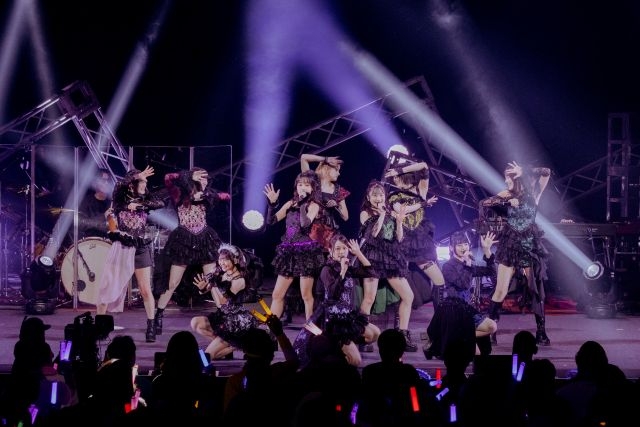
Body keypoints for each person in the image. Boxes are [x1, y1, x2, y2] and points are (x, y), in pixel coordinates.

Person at [480, 161, 551, 345]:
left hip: (529, 246)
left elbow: (546, 172)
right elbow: (484, 203)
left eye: (508, 178)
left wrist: (524, 171)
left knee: (534, 289)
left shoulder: (533, 193)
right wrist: (506, 201)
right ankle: (491, 329)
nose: (505, 181)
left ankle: (541, 332)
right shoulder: (506, 193)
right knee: (501, 289)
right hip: (510, 245)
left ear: (517, 178)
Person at [154, 167, 231, 335]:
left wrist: (206, 194)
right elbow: (168, 178)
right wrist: (188, 175)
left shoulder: (207, 196)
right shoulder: (179, 194)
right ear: (193, 179)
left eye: (206, 178)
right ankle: (157, 317)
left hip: (204, 239)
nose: (205, 180)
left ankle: (224, 316)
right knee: (173, 283)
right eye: (201, 178)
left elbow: (227, 196)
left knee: (212, 281)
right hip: (183, 240)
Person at [96, 166, 164, 342]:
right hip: (122, 246)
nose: (145, 184)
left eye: (145, 182)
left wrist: (141, 204)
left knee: (145, 290)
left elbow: (160, 203)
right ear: (133, 183)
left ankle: (151, 327)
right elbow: (119, 186)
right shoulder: (119, 198)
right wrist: (136, 176)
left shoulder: (145, 198)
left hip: (140, 247)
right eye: (142, 181)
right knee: (108, 287)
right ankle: (100, 327)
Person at [292, 234, 381, 367]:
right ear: (330, 250)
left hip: (348, 317)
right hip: (333, 321)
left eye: (344, 248)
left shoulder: (348, 267)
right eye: (338, 248)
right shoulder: (327, 269)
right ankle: (335, 355)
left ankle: (341, 348)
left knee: (375, 334)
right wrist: (342, 272)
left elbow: (372, 273)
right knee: (356, 361)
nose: (341, 252)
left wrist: (358, 253)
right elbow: (333, 294)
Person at [357, 180, 417, 351]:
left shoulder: (391, 212)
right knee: (369, 298)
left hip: (390, 257)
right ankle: (363, 336)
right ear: (368, 197)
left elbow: (399, 238)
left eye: (381, 195)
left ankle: (403, 336)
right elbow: (372, 235)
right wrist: (382, 214)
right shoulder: (365, 213)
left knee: (408, 296)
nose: (378, 198)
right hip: (373, 257)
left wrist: (399, 222)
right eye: (375, 195)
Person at [424, 231, 498, 359]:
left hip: (467, 310)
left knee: (492, 326)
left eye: (465, 244)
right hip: (453, 311)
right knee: (477, 355)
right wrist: (468, 264)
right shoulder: (448, 266)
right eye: (459, 245)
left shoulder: (467, 264)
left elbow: (492, 272)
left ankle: (457, 337)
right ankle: (454, 337)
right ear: (451, 248)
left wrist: (487, 250)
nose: (464, 247)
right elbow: (463, 284)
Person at [263, 170, 326, 320]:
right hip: (288, 251)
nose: (302, 187)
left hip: (305, 252)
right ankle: (272, 328)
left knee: (306, 295)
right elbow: (271, 221)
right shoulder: (290, 203)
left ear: (313, 188)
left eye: (307, 185)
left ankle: (309, 328)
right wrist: (272, 205)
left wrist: (303, 204)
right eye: (300, 184)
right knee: (277, 294)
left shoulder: (314, 205)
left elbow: (305, 224)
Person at [385, 156, 445, 308]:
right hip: (402, 242)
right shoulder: (394, 195)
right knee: (404, 294)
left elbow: (424, 165)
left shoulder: (420, 190)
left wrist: (399, 169)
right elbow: (401, 210)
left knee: (440, 281)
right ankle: (400, 322)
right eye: (394, 178)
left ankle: (440, 319)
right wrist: (423, 204)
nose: (394, 180)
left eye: (397, 177)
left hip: (420, 244)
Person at [190, 244, 260, 360]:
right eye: (220, 259)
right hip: (222, 317)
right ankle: (227, 345)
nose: (222, 263)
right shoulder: (222, 274)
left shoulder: (239, 280)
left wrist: (214, 284)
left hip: (234, 323)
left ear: (235, 260)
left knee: (207, 355)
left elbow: (222, 302)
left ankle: (235, 345)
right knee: (195, 323)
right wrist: (202, 287)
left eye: (226, 260)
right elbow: (204, 290)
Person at [300, 154, 350, 253]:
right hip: (310, 230)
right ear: (327, 169)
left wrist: (336, 205)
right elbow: (303, 157)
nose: (339, 174)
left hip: (328, 234)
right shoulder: (312, 182)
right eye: (336, 170)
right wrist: (325, 159)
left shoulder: (338, 190)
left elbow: (346, 217)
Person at [78, 168, 113, 239]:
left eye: (108, 181)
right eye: (103, 181)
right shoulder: (86, 201)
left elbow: (114, 227)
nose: (106, 183)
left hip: (109, 241)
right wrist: (103, 216)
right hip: (91, 241)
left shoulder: (112, 202)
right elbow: (81, 224)